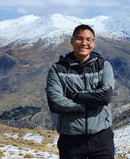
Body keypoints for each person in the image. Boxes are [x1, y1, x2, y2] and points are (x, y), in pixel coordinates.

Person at [45, 24, 115, 159]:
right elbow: (55, 103)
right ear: (72, 41)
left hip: (101, 138)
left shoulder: (103, 65)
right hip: (71, 140)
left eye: (88, 39)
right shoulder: (58, 69)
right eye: (79, 39)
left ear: (93, 43)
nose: (84, 43)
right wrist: (92, 104)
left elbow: (106, 96)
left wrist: (76, 96)